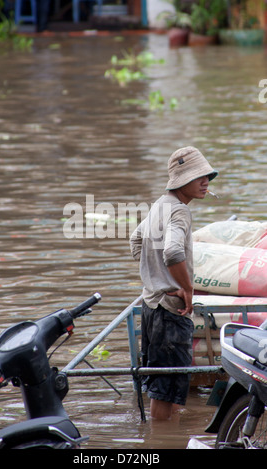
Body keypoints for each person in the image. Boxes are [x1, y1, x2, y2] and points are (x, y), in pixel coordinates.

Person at [130, 146, 218, 420]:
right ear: (181, 181)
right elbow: (172, 252)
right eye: (198, 176)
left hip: (151, 306)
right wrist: (186, 287)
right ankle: (161, 439)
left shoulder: (159, 205)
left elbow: (135, 240)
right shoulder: (179, 211)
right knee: (166, 391)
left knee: (164, 386)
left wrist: (155, 276)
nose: (205, 182)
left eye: (208, 176)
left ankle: (167, 436)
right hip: (170, 311)